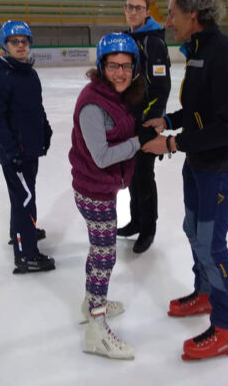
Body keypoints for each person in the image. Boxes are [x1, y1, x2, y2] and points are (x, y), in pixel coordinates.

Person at [142, 0, 228, 361]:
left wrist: (172, 143)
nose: (168, 21)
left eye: (171, 14)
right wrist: (168, 120)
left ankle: (227, 327)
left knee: (211, 243)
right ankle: (205, 292)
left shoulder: (225, 54)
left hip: (219, 166)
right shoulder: (199, 50)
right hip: (198, 163)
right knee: (193, 230)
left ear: (193, 13)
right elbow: (200, 111)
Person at [69, 33, 156, 360]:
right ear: (101, 66)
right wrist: (138, 141)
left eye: (126, 66)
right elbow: (102, 156)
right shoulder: (93, 103)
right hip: (94, 191)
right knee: (105, 257)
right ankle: (96, 329)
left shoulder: (119, 95)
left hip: (102, 189)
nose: (120, 72)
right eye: (113, 66)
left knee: (99, 251)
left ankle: (90, 300)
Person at [0, 20, 55, 274]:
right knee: (26, 200)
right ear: (5, 45)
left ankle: (22, 232)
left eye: (24, 41)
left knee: (22, 197)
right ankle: (26, 255)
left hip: (30, 149)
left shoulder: (29, 73)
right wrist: (12, 151)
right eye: (15, 42)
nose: (21, 46)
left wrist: (45, 129)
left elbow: (36, 107)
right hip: (16, 153)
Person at [117, 0, 171, 254]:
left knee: (144, 175)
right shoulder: (127, 38)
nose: (133, 11)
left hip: (145, 122)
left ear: (147, 11)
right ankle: (136, 220)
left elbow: (161, 86)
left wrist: (151, 119)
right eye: (130, 7)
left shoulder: (153, 42)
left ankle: (148, 228)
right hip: (128, 121)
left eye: (139, 7)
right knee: (132, 175)